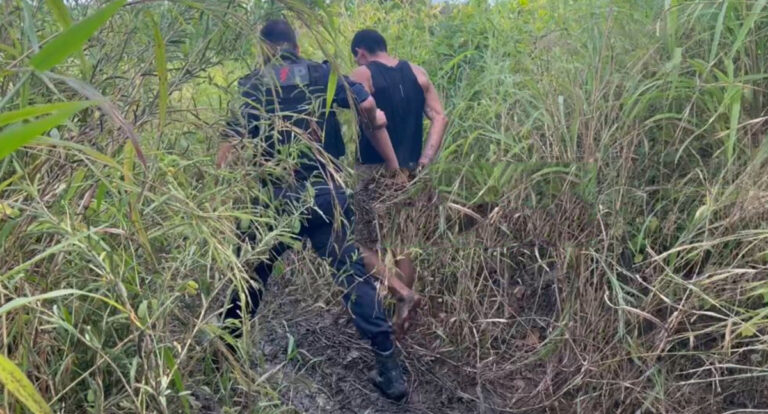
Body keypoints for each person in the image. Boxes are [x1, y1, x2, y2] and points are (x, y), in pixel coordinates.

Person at [216, 19, 410, 401]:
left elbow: (225, 156)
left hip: (274, 201)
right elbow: (368, 105)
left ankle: (226, 357)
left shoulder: (251, 86)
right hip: (326, 196)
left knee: (251, 276)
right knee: (354, 277)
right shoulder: (324, 75)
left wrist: (238, 185)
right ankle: (390, 370)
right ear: (297, 46)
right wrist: (372, 121)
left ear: (264, 49)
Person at [349, 29, 449, 334]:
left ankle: (399, 295)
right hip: (411, 171)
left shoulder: (361, 73)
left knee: (357, 244)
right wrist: (424, 161)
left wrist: (389, 166)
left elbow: (368, 113)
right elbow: (440, 117)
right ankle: (401, 317)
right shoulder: (418, 73)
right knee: (404, 242)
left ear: (360, 52)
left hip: (374, 170)